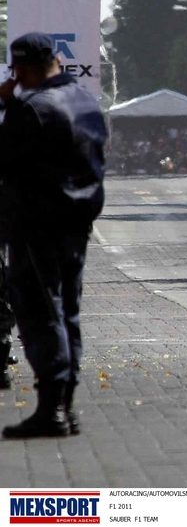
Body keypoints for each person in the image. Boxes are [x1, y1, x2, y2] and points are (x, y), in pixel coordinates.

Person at [0, 32, 107, 438]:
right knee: (67, 313)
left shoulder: (33, 108)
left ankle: (52, 410)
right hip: (75, 221)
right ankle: (66, 405)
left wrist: (4, 104)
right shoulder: (83, 100)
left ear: (23, 68)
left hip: (35, 224)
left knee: (42, 315)